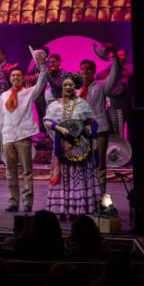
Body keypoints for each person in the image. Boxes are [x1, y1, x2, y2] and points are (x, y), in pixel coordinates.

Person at [0, 51, 48, 212]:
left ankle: (28, 202)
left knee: (26, 170)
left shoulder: (28, 92)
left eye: (18, 76)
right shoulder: (3, 96)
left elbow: (42, 80)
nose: (15, 78)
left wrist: (43, 66)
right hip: (8, 136)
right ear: (9, 78)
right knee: (10, 171)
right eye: (13, 76)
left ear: (23, 78)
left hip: (23, 135)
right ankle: (13, 201)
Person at [43, 73, 99, 218]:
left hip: (80, 145)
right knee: (64, 175)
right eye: (66, 85)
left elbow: (93, 122)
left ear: (75, 86)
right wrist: (60, 128)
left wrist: (93, 138)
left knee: (78, 175)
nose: (68, 87)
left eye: (71, 85)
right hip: (63, 145)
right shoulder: (55, 104)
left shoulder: (82, 103)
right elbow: (47, 121)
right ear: (62, 86)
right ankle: (62, 208)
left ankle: (77, 208)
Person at [79, 51, 123, 194]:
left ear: (94, 71)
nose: (85, 71)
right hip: (82, 132)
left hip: (99, 129)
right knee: (84, 165)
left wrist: (114, 57)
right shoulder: (77, 90)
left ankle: (101, 197)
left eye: (88, 69)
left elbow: (115, 74)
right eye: (83, 68)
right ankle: (87, 197)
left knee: (99, 164)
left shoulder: (100, 86)